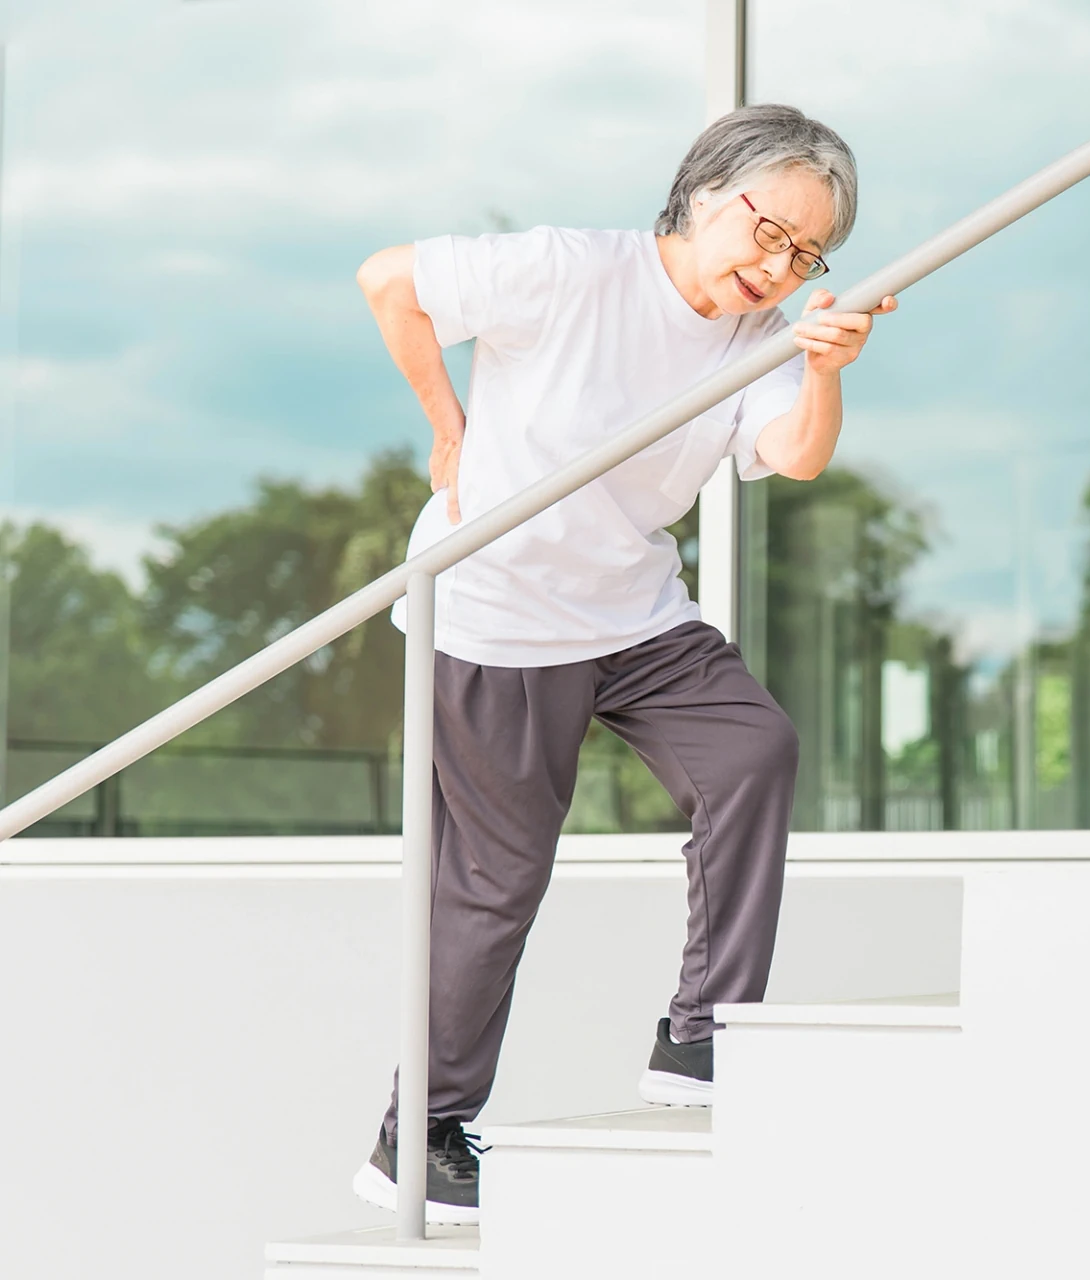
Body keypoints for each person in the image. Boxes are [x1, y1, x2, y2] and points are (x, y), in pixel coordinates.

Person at [347, 104, 895, 1225]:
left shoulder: (761, 342)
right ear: (702, 195)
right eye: (767, 231)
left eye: (805, 254)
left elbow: (793, 454)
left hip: (634, 614)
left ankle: (703, 1032)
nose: (776, 267)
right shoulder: (570, 271)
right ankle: (423, 1134)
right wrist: (447, 426)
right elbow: (386, 279)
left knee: (753, 748)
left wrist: (830, 364)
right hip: (497, 613)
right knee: (498, 881)